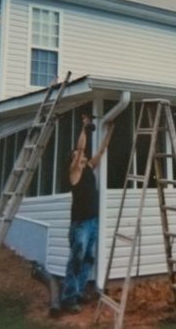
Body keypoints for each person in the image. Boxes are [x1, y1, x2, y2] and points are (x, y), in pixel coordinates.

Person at [59, 113, 114, 314]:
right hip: (80, 224)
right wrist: (85, 127)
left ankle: (79, 293)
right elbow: (82, 147)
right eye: (77, 154)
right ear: (73, 161)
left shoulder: (89, 168)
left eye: (80, 155)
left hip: (92, 221)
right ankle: (68, 298)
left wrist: (109, 131)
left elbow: (101, 151)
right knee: (76, 259)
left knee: (88, 258)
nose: (81, 155)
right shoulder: (74, 173)